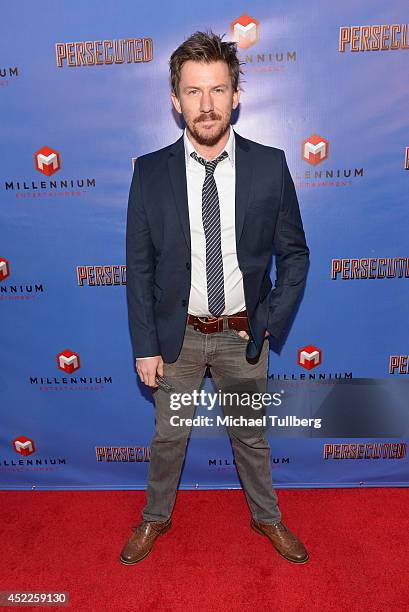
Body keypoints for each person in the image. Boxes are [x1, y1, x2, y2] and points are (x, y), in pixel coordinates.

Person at [121, 30, 310, 566]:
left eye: (219, 90)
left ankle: (267, 518)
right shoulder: (150, 172)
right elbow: (139, 268)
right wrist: (145, 345)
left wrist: (270, 318)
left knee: (251, 439)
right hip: (175, 338)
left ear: (236, 96)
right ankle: (155, 517)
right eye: (194, 91)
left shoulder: (270, 165)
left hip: (241, 335)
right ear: (175, 101)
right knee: (168, 440)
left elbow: (295, 254)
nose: (207, 105)